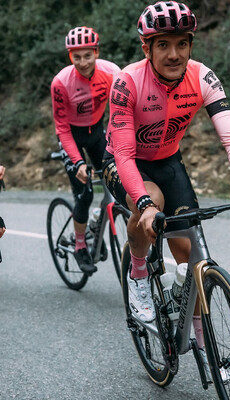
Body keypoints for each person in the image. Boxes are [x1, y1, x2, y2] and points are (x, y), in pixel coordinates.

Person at [102, 1, 230, 359]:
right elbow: (125, 154)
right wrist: (143, 205)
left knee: (190, 253)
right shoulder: (126, 81)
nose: (173, 54)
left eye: (181, 43)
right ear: (147, 48)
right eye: (163, 44)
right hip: (123, 162)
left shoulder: (203, 77)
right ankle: (139, 276)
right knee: (152, 200)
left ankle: (200, 339)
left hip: (168, 160)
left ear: (191, 45)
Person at [51, 27, 120, 275]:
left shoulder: (112, 72)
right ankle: (80, 245)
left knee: (118, 183)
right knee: (86, 193)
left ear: (96, 53)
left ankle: (96, 223)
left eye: (87, 56)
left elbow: (123, 111)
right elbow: (61, 128)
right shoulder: (61, 82)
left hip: (98, 131)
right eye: (76, 57)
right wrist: (79, 163)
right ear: (70, 56)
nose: (82, 62)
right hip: (71, 136)